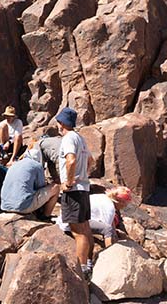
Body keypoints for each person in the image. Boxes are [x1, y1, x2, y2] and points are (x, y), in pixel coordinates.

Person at [56, 107, 93, 280]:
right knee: (84, 229)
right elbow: (90, 160)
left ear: (62, 123)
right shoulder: (80, 138)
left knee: (78, 232)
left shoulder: (68, 138)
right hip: (84, 189)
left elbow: (70, 160)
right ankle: (86, 264)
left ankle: (81, 270)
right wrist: (83, 175)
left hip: (74, 191)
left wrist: (69, 182)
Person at [57, 186, 132, 247]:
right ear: (120, 201)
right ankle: (109, 252)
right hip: (72, 223)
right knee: (108, 229)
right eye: (125, 204)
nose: (125, 206)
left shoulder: (102, 197)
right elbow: (108, 229)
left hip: (69, 217)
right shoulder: (110, 208)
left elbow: (111, 222)